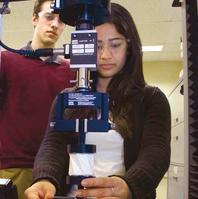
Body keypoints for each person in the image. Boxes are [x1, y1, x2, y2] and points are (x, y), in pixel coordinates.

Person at [24, 2, 171, 199]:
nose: (105, 55)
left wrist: (128, 186)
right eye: (97, 46)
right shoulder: (66, 98)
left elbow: (156, 152)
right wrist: (45, 179)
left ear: (129, 45)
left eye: (115, 44)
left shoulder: (151, 99)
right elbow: (53, 144)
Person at [0, 0, 74, 198]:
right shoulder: (7, 61)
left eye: (61, 21)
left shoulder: (72, 71)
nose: (55, 25)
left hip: (58, 170)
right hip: (16, 168)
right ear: (34, 19)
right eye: (49, 17)